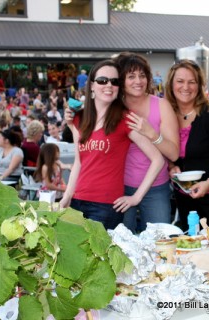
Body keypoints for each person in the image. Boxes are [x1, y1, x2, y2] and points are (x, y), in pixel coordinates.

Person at [60, 59, 164, 230]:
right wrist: (67, 196)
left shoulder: (125, 119)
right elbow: (79, 162)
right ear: (92, 85)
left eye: (114, 81)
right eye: (102, 80)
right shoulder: (79, 118)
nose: (109, 85)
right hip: (76, 202)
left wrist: (136, 198)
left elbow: (157, 159)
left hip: (106, 206)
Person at [165, 59, 209, 230]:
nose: (186, 87)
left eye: (192, 82)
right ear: (171, 85)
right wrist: (171, 166)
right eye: (180, 81)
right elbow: (169, 150)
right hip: (184, 198)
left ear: (199, 86)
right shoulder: (167, 116)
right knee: (192, 247)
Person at [112, 52, 179, 233]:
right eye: (131, 76)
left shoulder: (161, 105)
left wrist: (151, 132)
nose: (138, 81)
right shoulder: (114, 108)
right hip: (120, 187)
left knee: (159, 242)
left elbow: (173, 153)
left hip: (156, 186)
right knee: (121, 245)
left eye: (142, 75)